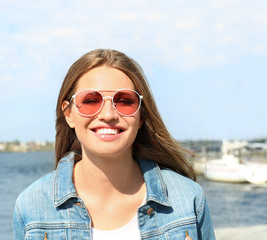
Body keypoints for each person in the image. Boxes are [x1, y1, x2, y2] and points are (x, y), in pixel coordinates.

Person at [13, 49, 216, 240]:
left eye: (125, 101)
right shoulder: (32, 206)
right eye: (91, 100)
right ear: (69, 114)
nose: (108, 115)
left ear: (141, 115)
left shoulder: (188, 198)